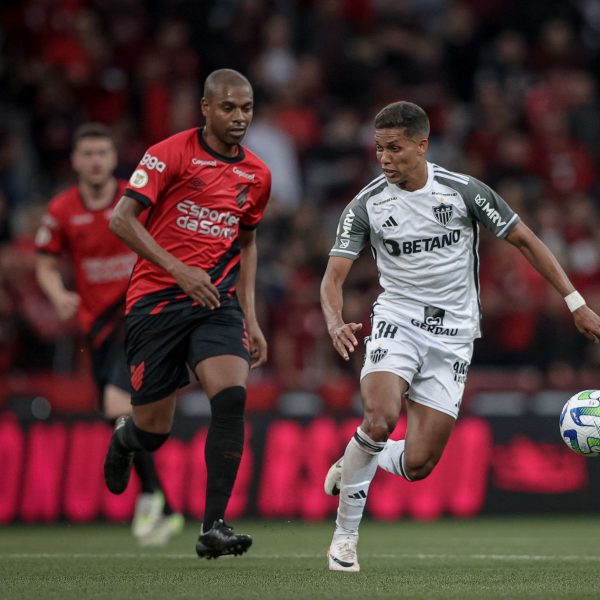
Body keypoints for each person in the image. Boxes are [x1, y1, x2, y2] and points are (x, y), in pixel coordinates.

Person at [320, 101, 600, 572]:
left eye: (395, 148)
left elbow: (526, 240)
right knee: (380, 416)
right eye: (379, 150)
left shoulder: (463, 191)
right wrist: (333, 320)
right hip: (398, 319)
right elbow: (332, 277)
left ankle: (355, 460)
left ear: (422, 145)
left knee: (419, 463)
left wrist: (575, 302)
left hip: (453, 333)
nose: (384, 159)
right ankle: (344, 540)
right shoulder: (367, 204)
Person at [102, 69, 270, 559]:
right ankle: (125, 439)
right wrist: (178, 271)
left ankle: (214, 525)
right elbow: (120, 219)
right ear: (205, 108)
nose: (239, 118)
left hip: (215, 303)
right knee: (153, 432)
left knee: (232, 396)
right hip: (156, 301)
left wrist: (251, 316)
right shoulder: (168, 153)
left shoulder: (257, 174)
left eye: (246, 108)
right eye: (229, 108)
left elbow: (248, 242)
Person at [35, 123, 184, 546]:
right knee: (111, 413)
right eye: (88, 153)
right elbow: (45, 262)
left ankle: (151, 500)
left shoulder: (134, 197)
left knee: (116, 403)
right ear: (76, 161)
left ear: (114, 157)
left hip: (138, 312)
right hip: (95, 326)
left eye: (103, 152)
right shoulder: (62, 210)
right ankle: (161, 501)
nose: (96, 160)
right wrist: (57, 292)